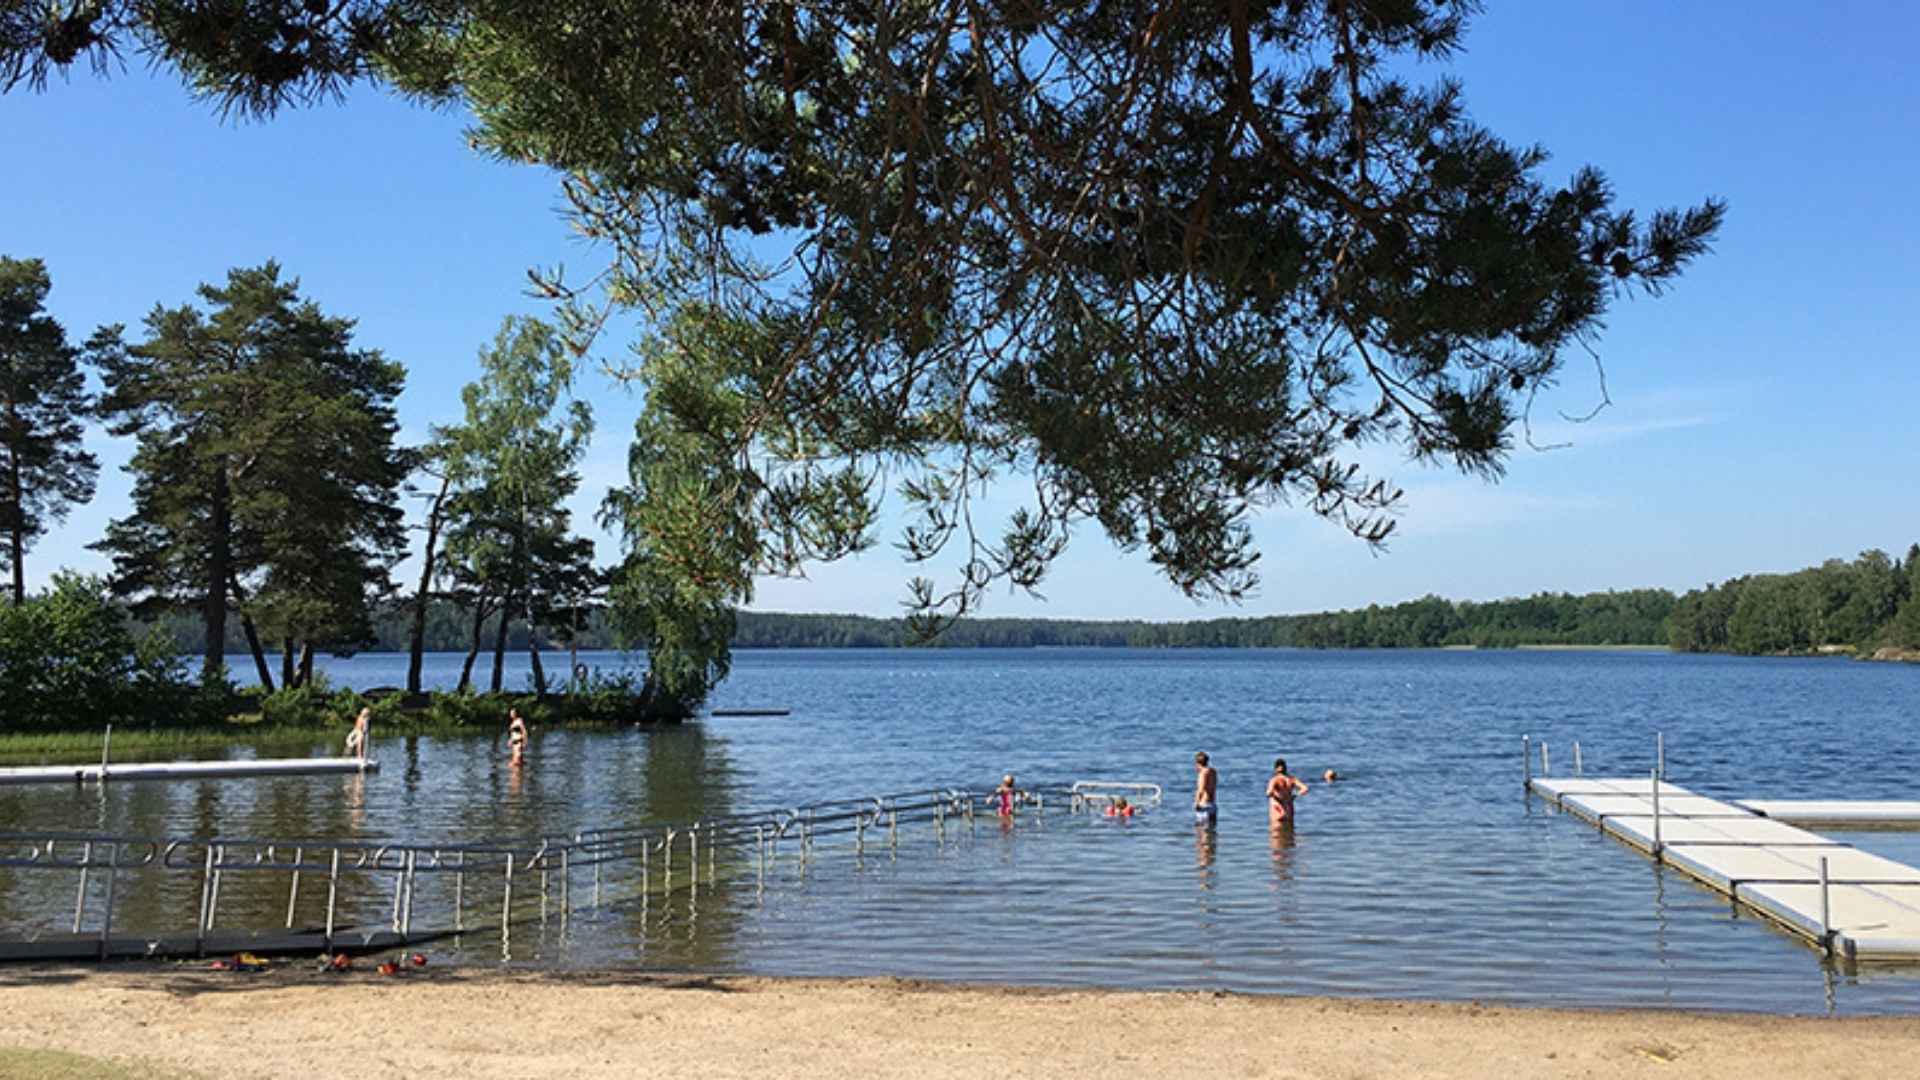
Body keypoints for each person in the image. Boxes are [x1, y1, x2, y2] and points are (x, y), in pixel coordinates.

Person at [1267, 757, 1309, 828]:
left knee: (1276, 832)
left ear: (1276, 769)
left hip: (1278, 807)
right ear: (1285, 768)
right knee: (1289, 830)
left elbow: (1269, 792)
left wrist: (1278, 798)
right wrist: (1294, 796)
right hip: (1289, 806)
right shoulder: (1291, 779)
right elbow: (1305, 788)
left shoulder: (1274, 779)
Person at [1193, 751, 1217, 829]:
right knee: (1212, 830)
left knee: (1201, 831)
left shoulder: (1203, 773)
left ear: (1197, 762)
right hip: (1212, 803)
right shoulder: (1213, 771)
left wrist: (1196, 803)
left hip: (1203, 804)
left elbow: (1201, 789)